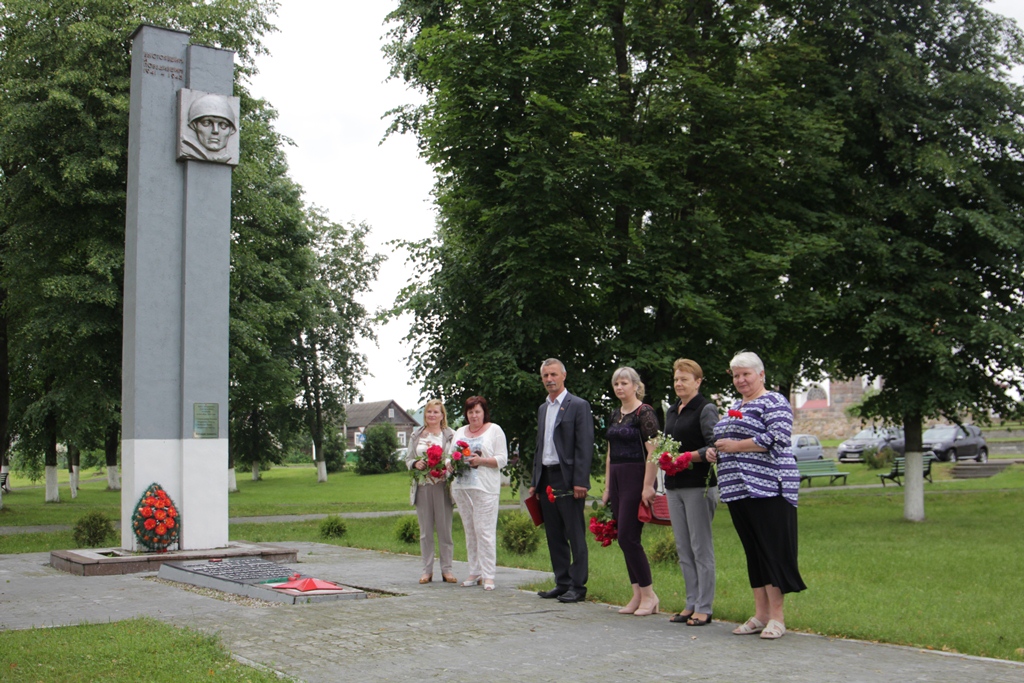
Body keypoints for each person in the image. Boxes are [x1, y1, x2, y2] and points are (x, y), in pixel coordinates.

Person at [706, 351, 806, 640]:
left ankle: (778, 617)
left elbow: (778, 437)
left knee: (772, 551)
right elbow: (723, 439)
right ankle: (760, 614)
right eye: (736, 375)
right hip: (738, 490)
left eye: (746, 374)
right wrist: (716, 451)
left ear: (761, 375)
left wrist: (736, 446)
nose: (740, 380)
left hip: (769, 488)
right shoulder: (734, 406)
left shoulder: (773, 401)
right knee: (755, 553)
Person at [528, 359, 594, 603]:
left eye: (553, 374)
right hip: (546, 476)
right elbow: (539, 446)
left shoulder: (578, 405)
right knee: (554, 533)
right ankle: (562, 582)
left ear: (564, 376)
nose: (549, 379)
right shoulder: (543, 408)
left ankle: (578, 586)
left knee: (574, 533)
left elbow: (584, 446)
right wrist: (536, 479)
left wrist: (580, 481)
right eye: (545, 375)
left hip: (568, 479)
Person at [662, 358, 720, 626]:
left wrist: (687, 457)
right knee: (684, 548)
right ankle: (690, 602)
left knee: (700, 548)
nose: (679, 383)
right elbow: (667, 444)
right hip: (674, 486)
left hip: (699, 485)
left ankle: (704, 607)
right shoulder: (672, 411)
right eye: (676, 379)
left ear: (698, 381)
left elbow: (714, 447)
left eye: (684, 379)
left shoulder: (705, 408)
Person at [603, 367, 660, 616]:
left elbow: (654, 450)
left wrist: (648, 485)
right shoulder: (615, 413)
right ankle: (637, 594)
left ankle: (649, 595)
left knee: (629, 537)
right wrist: (606, 487)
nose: (619, 387)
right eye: (616, 383)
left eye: (624, 383)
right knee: (623, 538)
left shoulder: (644, 412)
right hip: (616, 476)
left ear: (636, 386)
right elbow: (609, 452)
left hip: (637, 477)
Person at [450, 396, 508, 591]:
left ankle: (489, 574)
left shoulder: (495, 430)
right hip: (462, 487)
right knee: (470, 530)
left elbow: (502, 459)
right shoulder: (459, 431)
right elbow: (450, 456)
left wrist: (481, 461)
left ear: (484, 412)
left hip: (485, 488)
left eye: (477, 411)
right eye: (470, 412)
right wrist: (450, 464)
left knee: (484, 531)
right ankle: (474, 571)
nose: (474, 415)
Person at [405, 399, 457, 585]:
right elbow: (408, 459)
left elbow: (454, 457)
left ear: (442, 415)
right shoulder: (416, 434)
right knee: (425, 531)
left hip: (443, 485)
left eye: (436, 412)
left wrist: (447, 466)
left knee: (445, 530)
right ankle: (427, 571)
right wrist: (415, 464)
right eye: (429, 412)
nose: (432, 415)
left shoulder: (450, 434)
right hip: (422, 485)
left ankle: (447, 570)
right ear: (425, 415)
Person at [180, 94, 237, 163]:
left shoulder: (226, 157)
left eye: (223, 125)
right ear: (194, 125)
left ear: (231, 130)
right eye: (206, 123)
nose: (215, 131)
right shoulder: (187, 150)